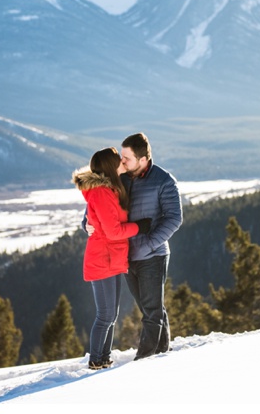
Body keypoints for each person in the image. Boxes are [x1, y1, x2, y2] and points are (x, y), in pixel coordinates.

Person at [87, 133, 182, 360]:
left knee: (151, 311)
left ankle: (145, 359)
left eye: (127, 158)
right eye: (121, 156)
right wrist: (87, 225)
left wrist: (150, 244)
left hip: (152, 254)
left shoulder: (164, 181)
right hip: (126, 257)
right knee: (151, 308)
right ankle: (162, 351)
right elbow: (95, 208)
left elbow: (174, 219)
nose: (122, 161)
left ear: (143, 159)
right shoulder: (121, 178)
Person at [73, 147, 151, 370]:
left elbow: (93, 219)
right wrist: (140, 227)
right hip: (103, 258)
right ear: (109, 165)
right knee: (105, 315)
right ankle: (96, 359)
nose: (122, 162)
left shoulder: (109, 188)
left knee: (111, 314)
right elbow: (113, 231)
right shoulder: (101, 192)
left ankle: (103, 357)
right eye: (118, 160)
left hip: (112, 257)